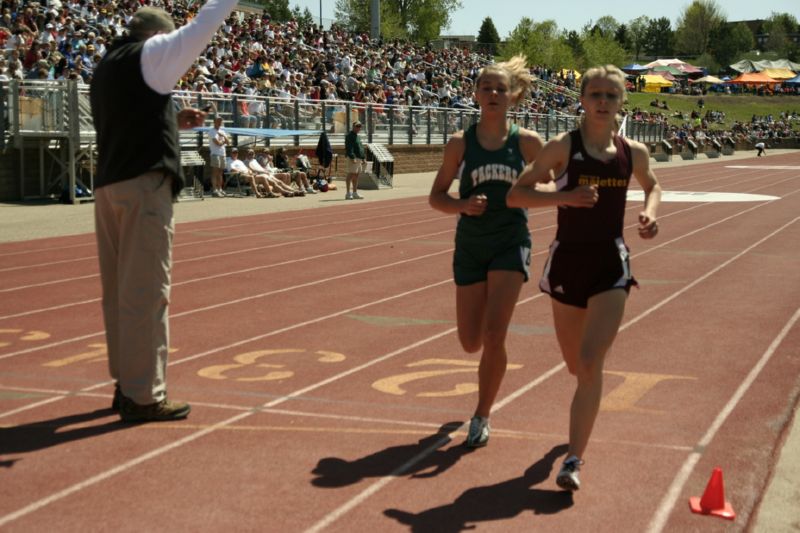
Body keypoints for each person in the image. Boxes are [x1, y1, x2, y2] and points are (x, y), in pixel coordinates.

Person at [506, 64, 662, 491]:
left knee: (591, 362)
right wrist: (565, 196)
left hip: (611, 263)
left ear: (621, 102)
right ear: (582, 98)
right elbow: (516, 193)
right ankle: (574, 438)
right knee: (576, 364)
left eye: (611, 96)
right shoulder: (562, 147)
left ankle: (573, 460)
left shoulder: (633, 152)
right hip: (568, 264)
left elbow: (652, 185)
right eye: (595, 94)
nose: (603, 102)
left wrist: (650, 213)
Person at [90, 0, 238, 422]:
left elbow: (129, 119)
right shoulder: (153, 53)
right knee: (146, 292)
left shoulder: (106, 66)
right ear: (158, 37)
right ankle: (143, 395)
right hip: (143, 187)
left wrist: (172, 122)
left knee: (118, 294)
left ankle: (126, 383)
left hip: (109, 187)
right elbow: (205, 23)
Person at [428, 55, 543, 449]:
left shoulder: (527, 143)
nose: (493, 94)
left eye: (500, 88)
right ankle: (480, 405)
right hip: (471, 246)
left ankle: (481, 415)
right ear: (475, 94)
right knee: (470, 342)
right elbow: (436, 197)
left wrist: (524, 195)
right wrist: (461, 206)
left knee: (495, 335)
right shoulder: (460, 143)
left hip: (511, 242)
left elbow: (551, 188)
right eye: (486, 87)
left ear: (513, 96)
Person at [209, 115, 231, 197]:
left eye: (220, 121)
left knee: (220, 173)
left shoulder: (222, 131)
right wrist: (223, 141)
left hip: (223, 154)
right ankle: (214, 190)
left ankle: (220, 189)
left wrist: (224, 137)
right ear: (214, 122)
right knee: (215, 173)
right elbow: (217, 143)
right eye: (218, 121)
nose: (220, 122)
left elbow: (228, 142)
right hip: (215, 154)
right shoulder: (212, 131)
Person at [344, 120, 366, 200]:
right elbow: (349, 148)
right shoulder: (349, 136)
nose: (358, 128)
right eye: (357, 126)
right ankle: (347, 193)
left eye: (359, 126)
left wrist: (363, 158)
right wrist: (352, 157)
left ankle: (355, 192)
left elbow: (361, 148)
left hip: (359, 158)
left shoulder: (357, 136)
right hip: (354, 158)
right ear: (353, 127)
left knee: (356, 175)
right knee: (351, 174)